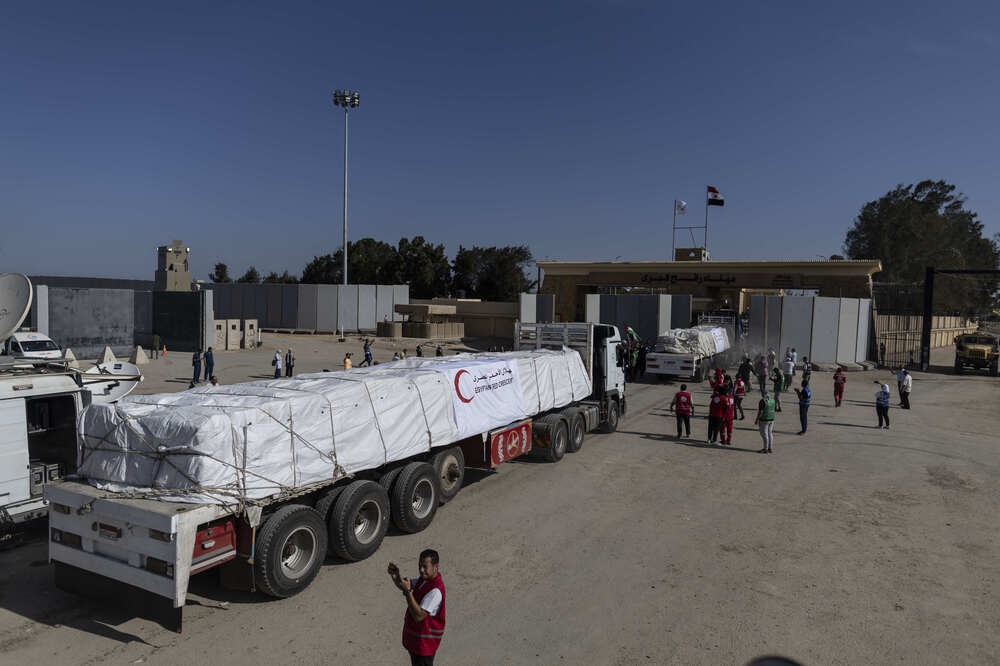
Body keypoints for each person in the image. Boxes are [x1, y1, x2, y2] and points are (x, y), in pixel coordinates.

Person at [388, 550, 446, 666]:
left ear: (435, 567)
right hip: (416, 643)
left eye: (425, 567)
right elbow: (405, 584)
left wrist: (408, 591)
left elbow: (418, 615)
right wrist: (395, 576)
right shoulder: (423, 580)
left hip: (424, 646)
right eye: (420, 566)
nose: (421, 570)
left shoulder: (435, 591)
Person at [755, 389, 776, 453]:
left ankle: (765, 448)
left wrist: (757, 419)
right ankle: (770, 448)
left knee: (764, 434)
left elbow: (760, 412)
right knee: (770, 433)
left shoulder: (762, 401)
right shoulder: (773, 400)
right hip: (771, 418)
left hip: (764, 419)